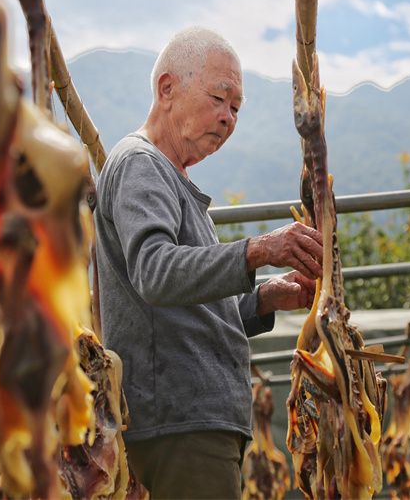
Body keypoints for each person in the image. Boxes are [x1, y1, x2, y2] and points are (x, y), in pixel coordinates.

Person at [94, 26, 323, 499]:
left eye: (236, 108)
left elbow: (185, 307)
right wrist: (258, 249)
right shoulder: (141, 163)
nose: (227, 118)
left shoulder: (171, 179)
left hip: (194, 423)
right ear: (167, 89)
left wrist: (263, 298)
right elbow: (156, 273)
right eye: (219, 98)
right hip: (180, 424)